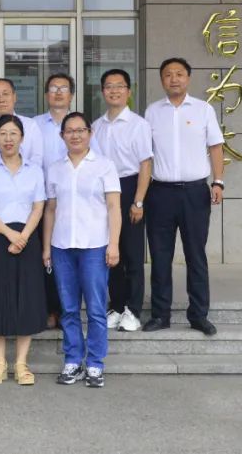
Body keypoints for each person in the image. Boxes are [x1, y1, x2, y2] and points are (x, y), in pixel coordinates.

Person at [144, 57, 225, 337]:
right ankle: (160, 315)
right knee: (160, 256)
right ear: (162, 80)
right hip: (160, 193)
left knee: (196, 255)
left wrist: (218, 182)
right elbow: (145, 154)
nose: (174, 79)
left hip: (195, 192)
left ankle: (199, 315)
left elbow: (216, 147)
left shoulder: (203, 109)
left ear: (188, 78)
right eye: (168, 75)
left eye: (179, 74)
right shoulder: (152, 112)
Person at [43, 112, 122, 388]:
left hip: (94, 247)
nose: (75, 135)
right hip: (62, 247)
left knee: (97, 309)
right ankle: (73, 360)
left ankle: (96, 364)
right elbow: (50, 210)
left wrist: (114, 244)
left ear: (90, 133)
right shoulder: (55, 168)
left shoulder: (104, 166)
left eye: (80, 130)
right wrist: (46, 247)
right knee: (68, 309)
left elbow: (114, 207)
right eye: (69, 131)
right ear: (62, 135)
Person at [0, 114, 48, 385]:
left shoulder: (34, 171)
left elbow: (38, 207)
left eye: (13, 133)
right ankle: (0, 363)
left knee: (25, 298)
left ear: (22, 138)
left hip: (27, 238)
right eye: (3, 133)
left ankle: (21, 364)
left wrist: (24, 236)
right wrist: (9, 233)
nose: (8, 138)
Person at [91, 69, 153, 334]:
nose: (114, 90)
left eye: (119, 86)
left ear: (129, 91)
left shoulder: (139, 124)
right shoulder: (96, 126)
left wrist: (138, 202)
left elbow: (145, 165)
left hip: (129, 188)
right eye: (108, 86)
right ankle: (116, 306)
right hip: (104, 191)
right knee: (110, 252)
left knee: (132, 254)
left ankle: (133, 310)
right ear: (102, 92)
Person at [32, 72, 74, 329]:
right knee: (44, 257)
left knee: (67, 257)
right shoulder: (33, 125)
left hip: (73, 202)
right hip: (41, 202)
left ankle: (67, 310)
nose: (58, 92)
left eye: (64, 88)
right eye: (53, 88)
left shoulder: (80, 124)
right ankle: (48, 309)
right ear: (46, 94)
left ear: (71, 94)